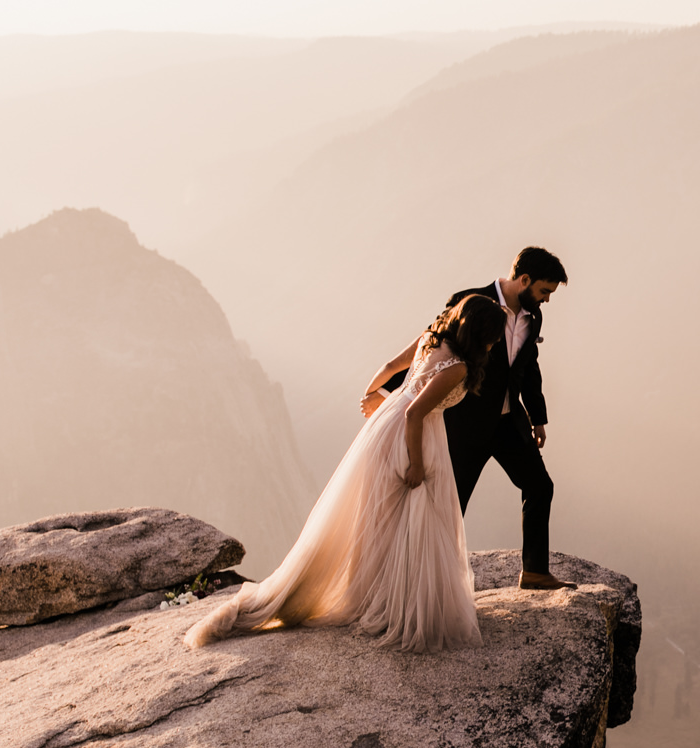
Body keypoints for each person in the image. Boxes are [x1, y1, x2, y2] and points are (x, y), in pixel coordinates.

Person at [186, 295, 508, 653]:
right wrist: (417, 464)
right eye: (494, 335)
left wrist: (373, 396)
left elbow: (389, 366)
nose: (495, 343)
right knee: (415, 517)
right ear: (482, 334)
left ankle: (379, 596)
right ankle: (396, 603)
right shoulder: (458, 368)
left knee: (385, 519)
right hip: (413, 437)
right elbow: (415, 414)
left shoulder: (431, 338)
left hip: (383, 430)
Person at [366, 247, 571, 591]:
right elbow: (433, 347)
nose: (546, 300)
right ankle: (418, 583)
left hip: (508, 423)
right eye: (544, 291)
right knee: (448, 506)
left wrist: (538, 418)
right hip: (464, 426)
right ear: (524, 280)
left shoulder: (533, 317)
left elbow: (528, 367)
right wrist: (385, 394)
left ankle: (534, 572)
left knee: (539, 487)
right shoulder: (468, 300)